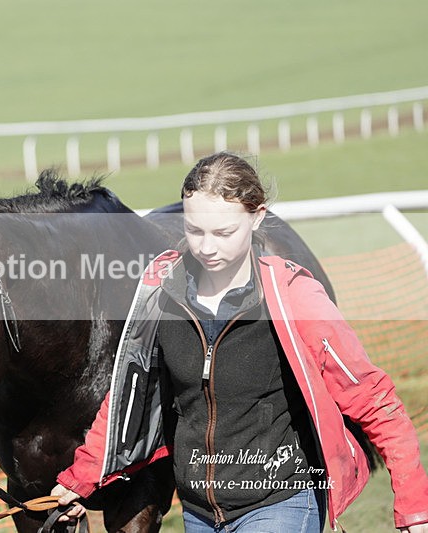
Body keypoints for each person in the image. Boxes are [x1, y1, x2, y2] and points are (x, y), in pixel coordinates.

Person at [51, 152, 428, 532]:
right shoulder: (160, 291)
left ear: (257, 216)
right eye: (194, 231)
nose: (207, 247)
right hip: (199, 513)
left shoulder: (294, 296)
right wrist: (78, 481)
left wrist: (414, 505)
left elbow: (373, 399)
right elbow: (126, 399)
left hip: (282, 502)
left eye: (223, 232)